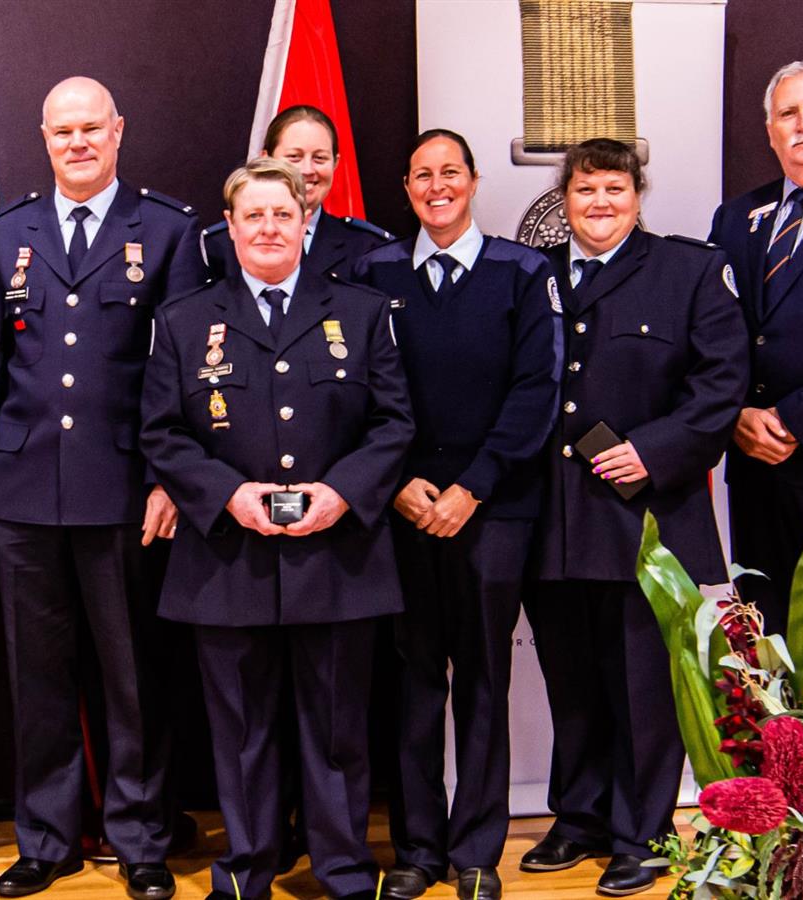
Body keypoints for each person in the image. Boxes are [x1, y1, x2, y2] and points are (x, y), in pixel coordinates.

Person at [0, 75, 204, 900]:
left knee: (133, 674)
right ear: (45, 136)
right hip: (25, 485)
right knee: (39, 673)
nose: (78, 144)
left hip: (126, 484)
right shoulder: (6, 234)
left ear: (119, 130)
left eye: (91, 129)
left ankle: (139, 839)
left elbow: (180, 372)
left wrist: (170, 479)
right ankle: (48, 838)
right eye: (63, 132)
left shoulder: (165, 230)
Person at [140, 157, 414, 900]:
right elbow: (162, 434)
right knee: (241, 732)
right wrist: (228, 495)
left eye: (281, 215)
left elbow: (395, 425)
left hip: (337, 556)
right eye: (252, 216)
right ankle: (247, 869)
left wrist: (339, 492)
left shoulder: (361, 313)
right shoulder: (183, 321)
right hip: (228, 561)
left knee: (335, 731)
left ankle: (344, 868)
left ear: (304, 223)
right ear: (228, 229)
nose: (267, 227)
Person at [523, 138, 747, 897]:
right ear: (566, 199)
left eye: (615, 189)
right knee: (572, 683)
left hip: (649, 518)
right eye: (586, 190)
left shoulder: (689, 271)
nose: (600, 204)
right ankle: (579, 818)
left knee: (643, 689)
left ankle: (643, 833)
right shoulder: (533, 276)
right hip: (554, 520)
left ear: (638, 196)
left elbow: (721, 385)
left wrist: (654, 450)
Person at [349, 129, 560, 900]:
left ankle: (476, 851)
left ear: (472, 182)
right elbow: (356, 396)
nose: (436, 186)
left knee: (481, 678)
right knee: (411, 683)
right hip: (400, 509)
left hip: (491, 509)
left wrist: (474, 487)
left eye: (450, 173)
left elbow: (536, 390)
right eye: (421, 176)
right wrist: (398, 480)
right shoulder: (370, 274)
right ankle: (418, 850)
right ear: (405, 188)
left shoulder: (521, 271)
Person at [708, 60, 803, 678]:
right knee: (770, 653)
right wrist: (736, 411)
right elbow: (714, 333)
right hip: (754, 473)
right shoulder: (736, 217)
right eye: (787, 114)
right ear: (769, 131)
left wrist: (796, 419)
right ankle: (782, 776)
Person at [201, 105, 392, 280]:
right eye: (294, 157)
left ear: (336, 163)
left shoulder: (366, 246)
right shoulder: (218, 245)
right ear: (266, 158)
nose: (307, 170)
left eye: (320, 158)